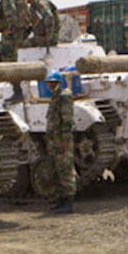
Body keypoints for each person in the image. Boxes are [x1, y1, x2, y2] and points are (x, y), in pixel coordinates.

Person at [44, 70, 76, 214]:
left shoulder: (64, 97)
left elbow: (67, 120)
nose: (49, 85)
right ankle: (60, 200)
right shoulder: (55, 97)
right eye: (48, 83)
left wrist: (65, 140)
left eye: (51, 83)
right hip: (54, 141)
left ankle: (68, 202)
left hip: (62, 141)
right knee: (56, 170)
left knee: (65, 170)